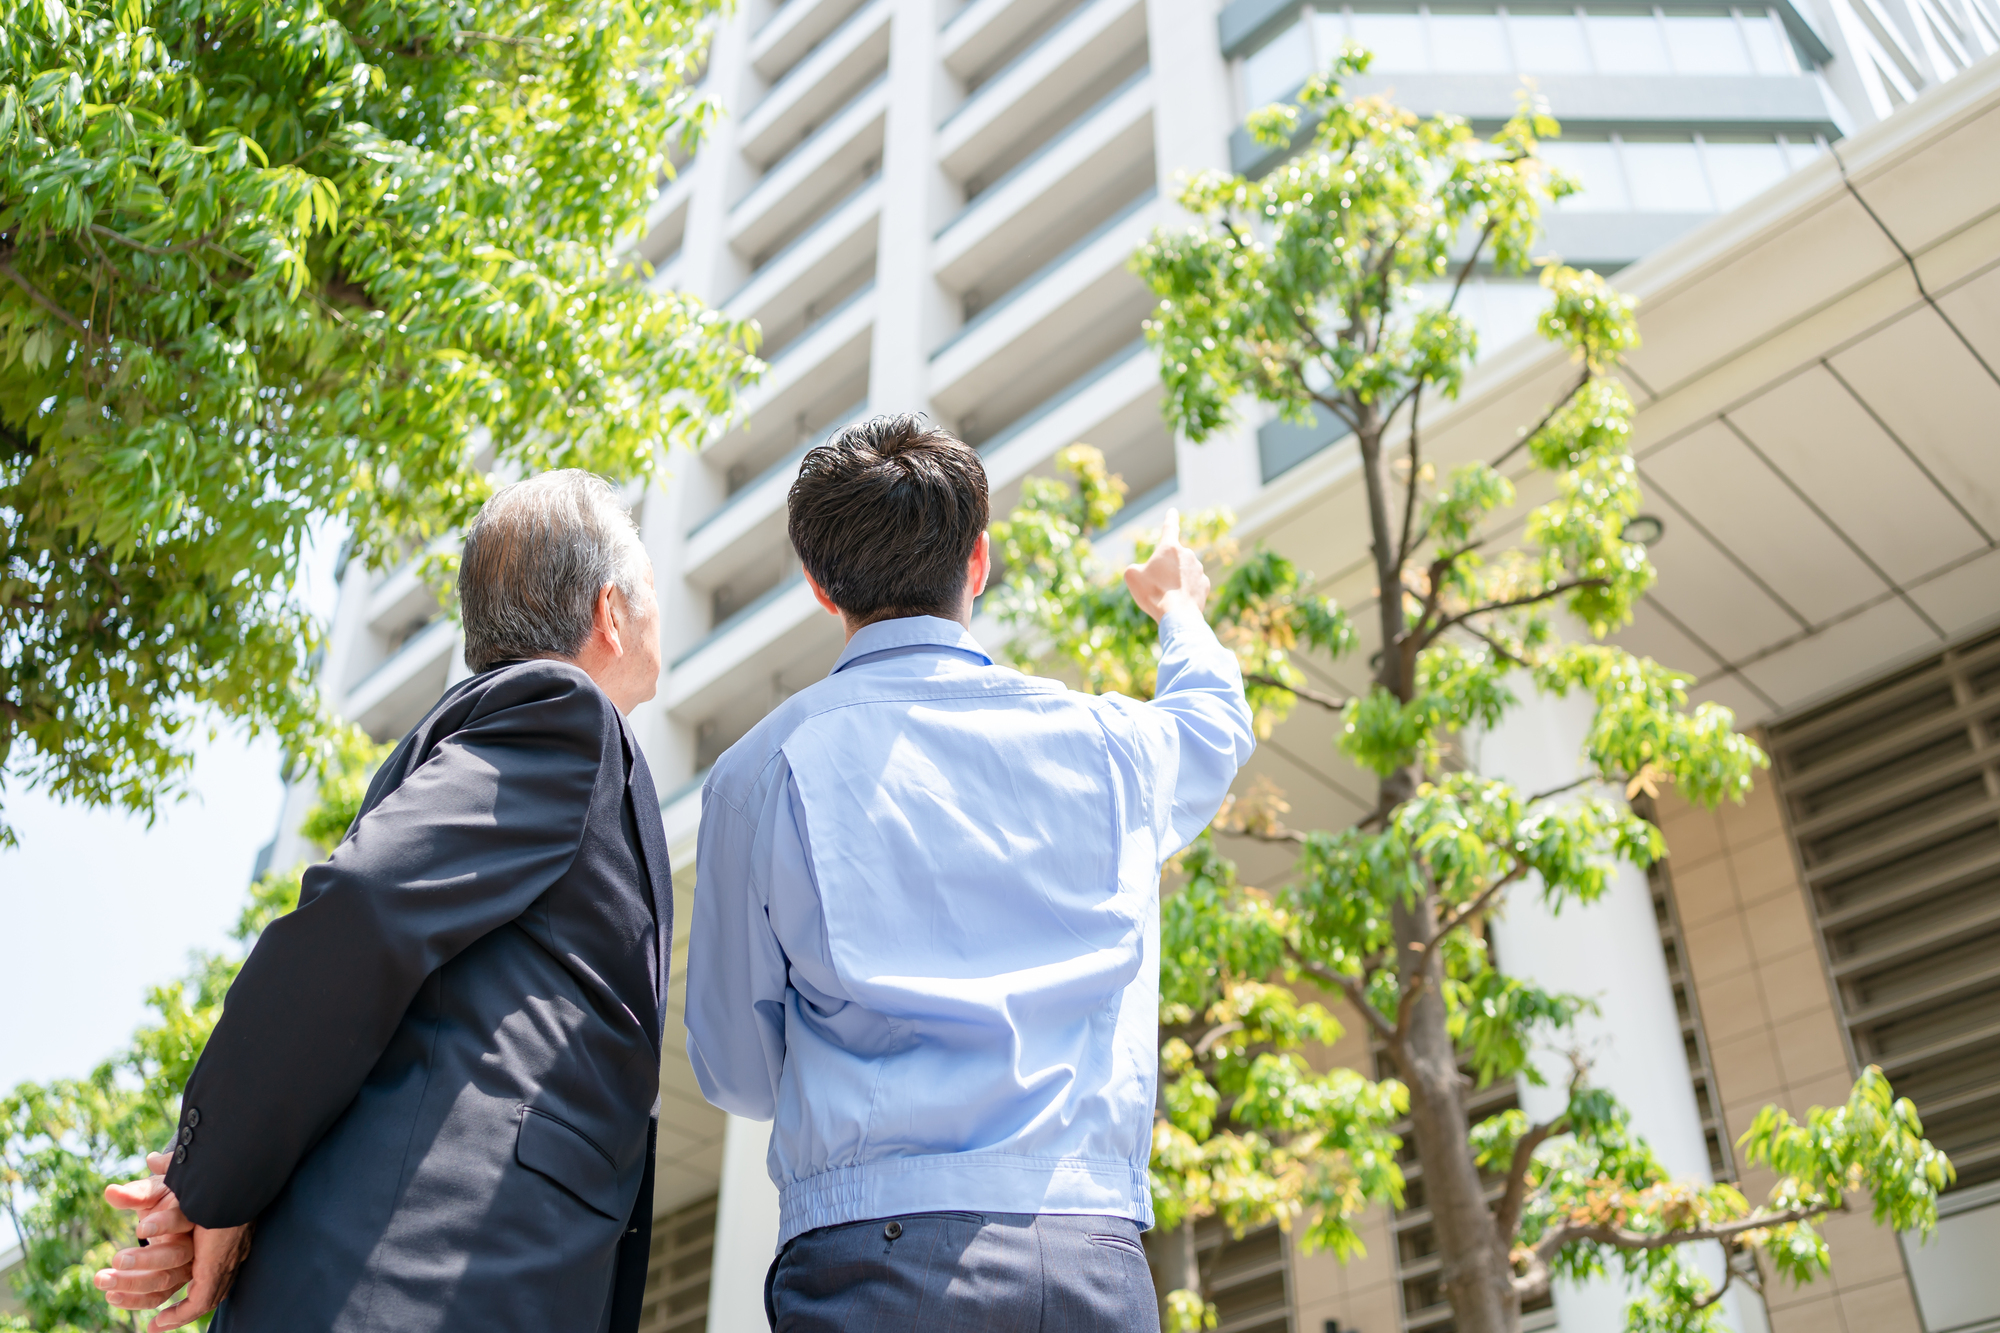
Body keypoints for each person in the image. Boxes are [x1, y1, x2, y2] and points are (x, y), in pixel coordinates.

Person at [685, 414, 1256, 1331]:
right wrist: (1178, 606)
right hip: (1088, 1257)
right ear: (978, 561)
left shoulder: (761, 771)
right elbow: (1215, 724)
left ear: (819, 586)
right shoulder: (1108, 742)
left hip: (870, 1258)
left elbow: (738, 1071)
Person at [94, 470, 676, 1333]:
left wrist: (229, 1189)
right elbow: (361, 910)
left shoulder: (485, 735)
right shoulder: (563, 713)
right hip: (427, 1284)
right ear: (610, 612)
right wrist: (214, 1183)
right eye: (653, 589)